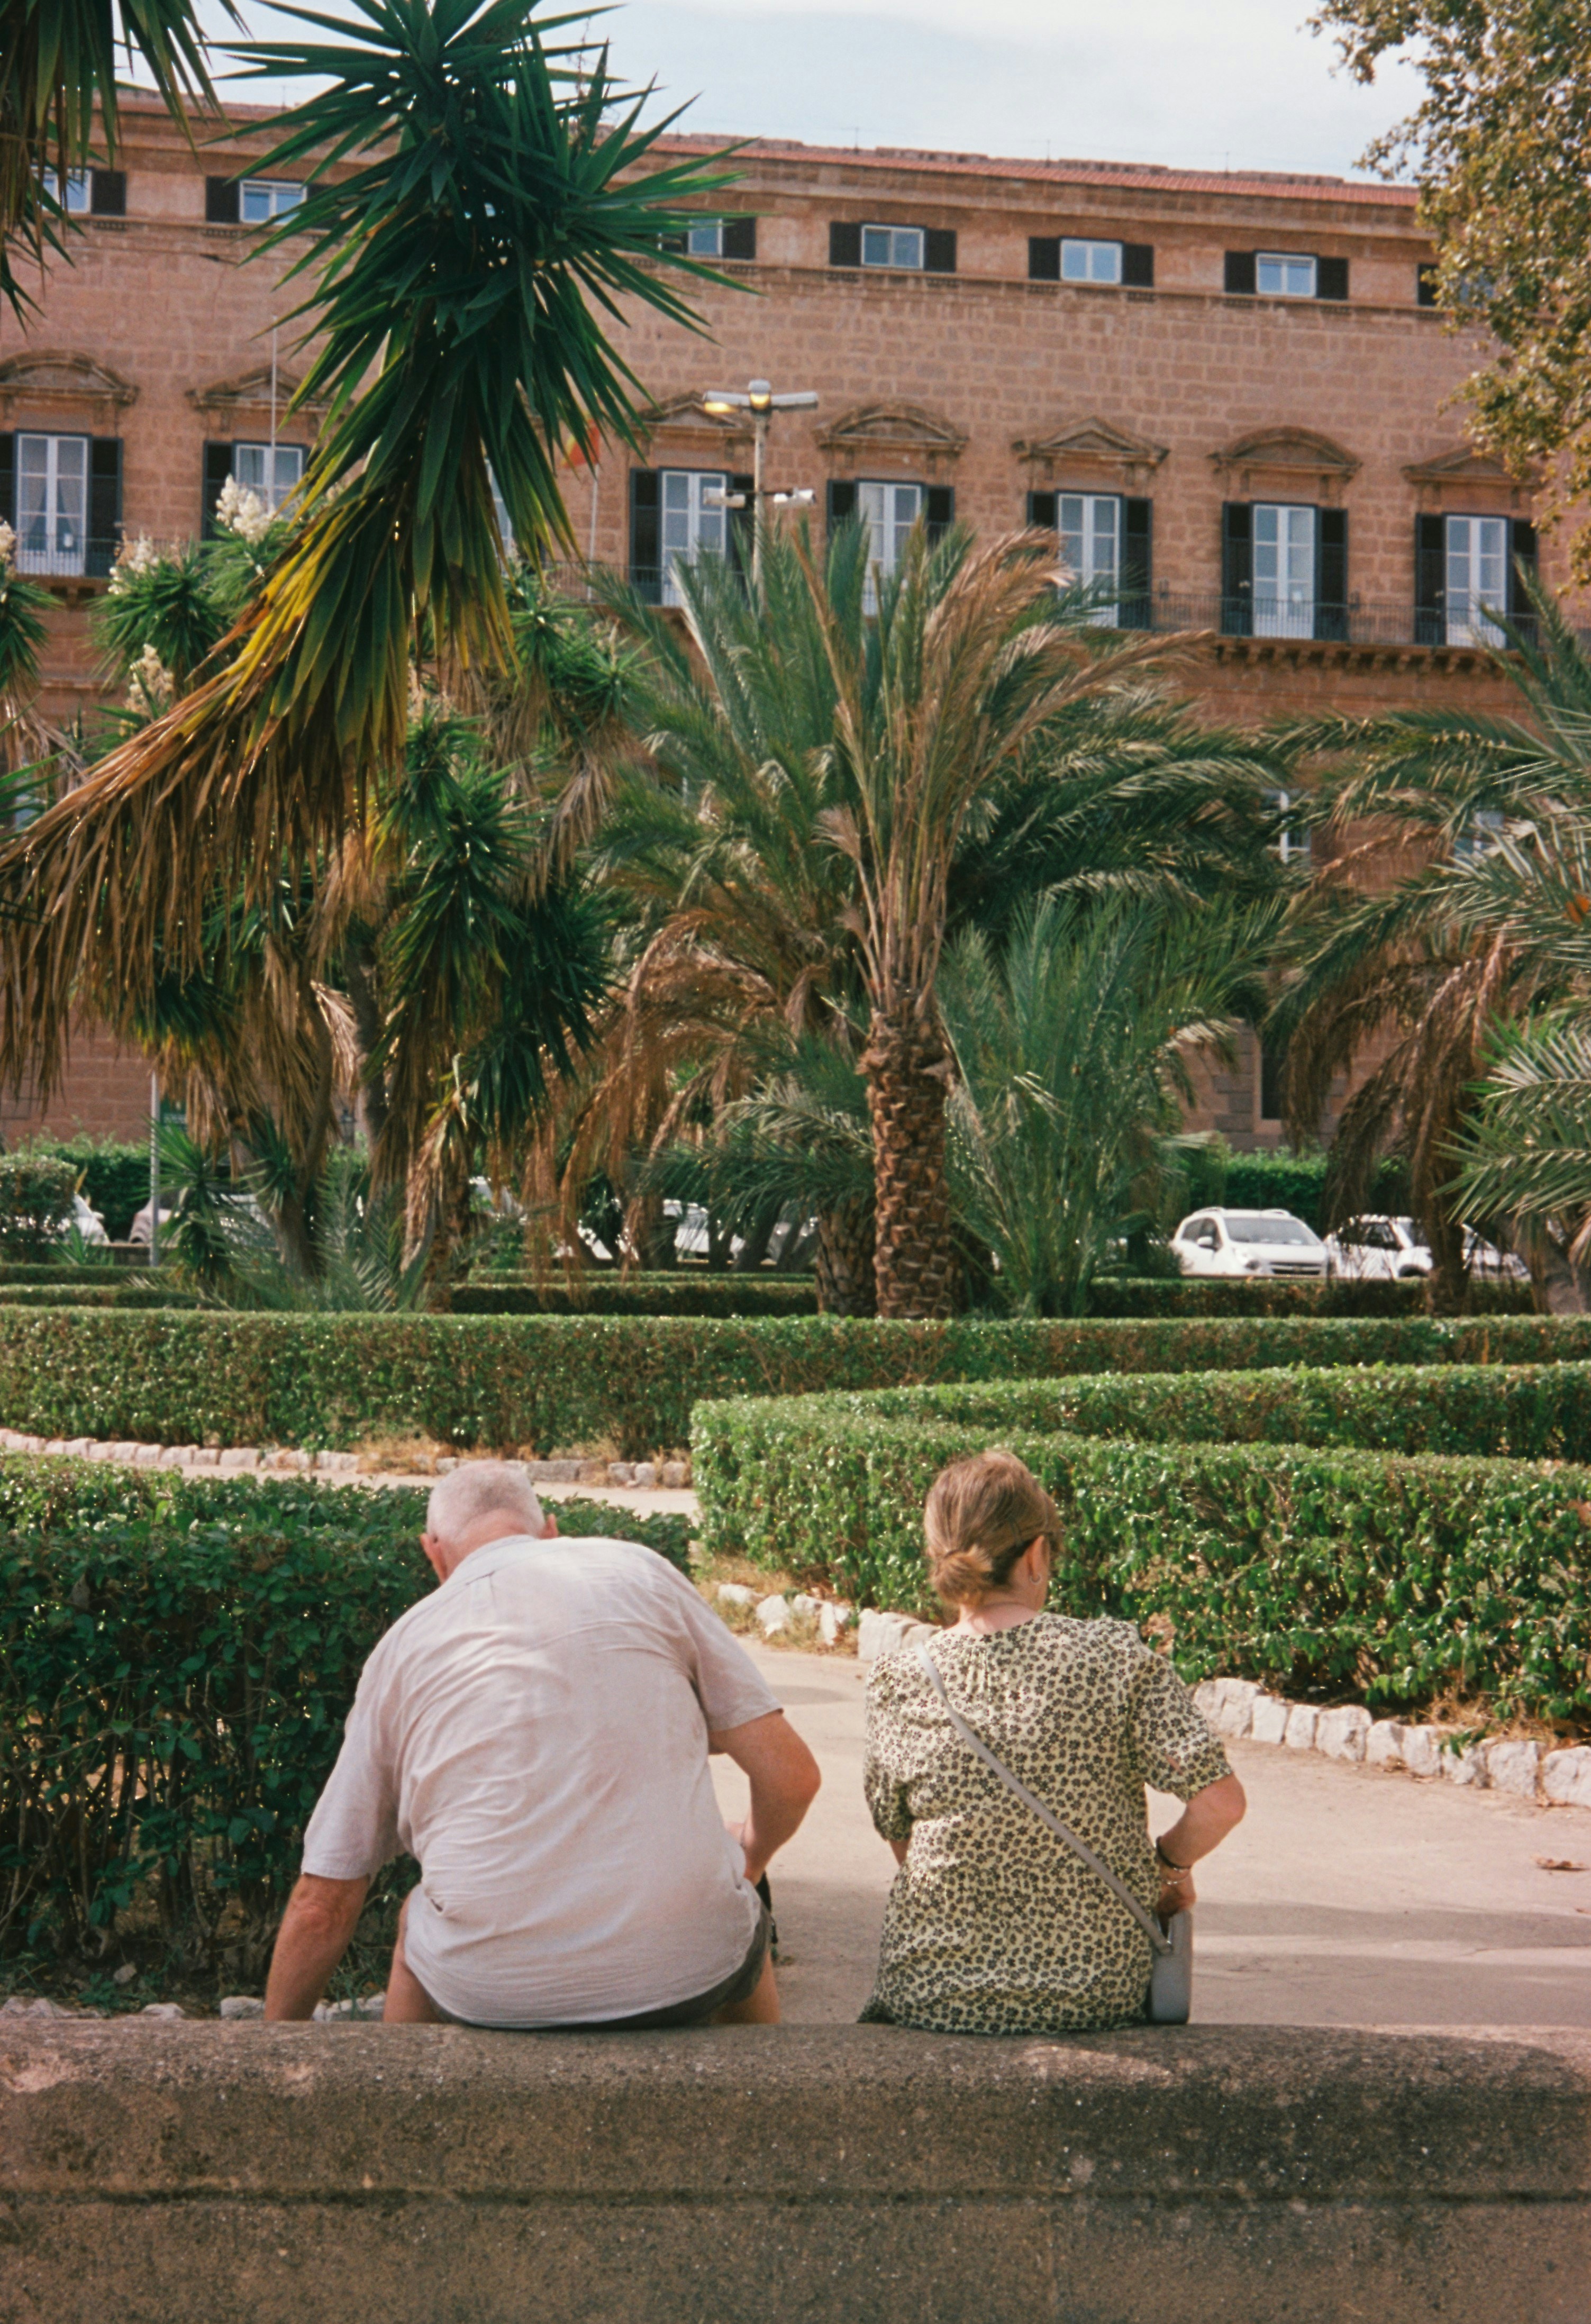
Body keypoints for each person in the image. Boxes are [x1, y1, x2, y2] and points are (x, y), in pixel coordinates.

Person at [264, 1460, 820, 2028]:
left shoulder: (399, 1650)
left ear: (434, 1554)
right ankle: (773, 2108)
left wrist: (270, 2055)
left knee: (417, 1922)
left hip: (491, 1989)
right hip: (689, 1969)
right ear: (550, 1530)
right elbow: (792, 1778)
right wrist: (749, 1857)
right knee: (732, 1909)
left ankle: (411, 2103)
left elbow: (323, 1903)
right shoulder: (640, 1572)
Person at [860, 1450, 1245, 2035]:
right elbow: (1221, 1802)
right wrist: (1167, 1869)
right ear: (1037, 1555)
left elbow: (902, 1841)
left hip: (933, 1993)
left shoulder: (899, 1680)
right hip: (1094, 1992)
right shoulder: (1113, 1659)